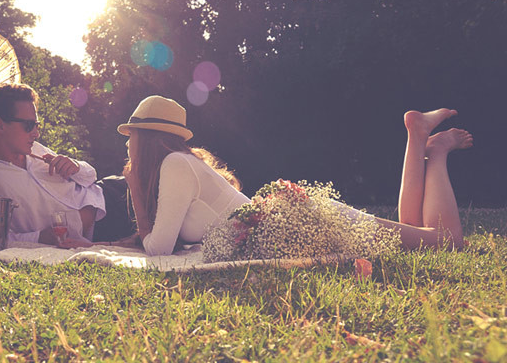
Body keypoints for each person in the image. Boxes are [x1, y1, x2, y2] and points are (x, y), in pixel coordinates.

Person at [117, 95, 472, 256]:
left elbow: (159, 247)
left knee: (446, 241)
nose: (129, 144)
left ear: (146, 138)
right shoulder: (182, 163)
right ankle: (417, 134)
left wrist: (134, 189)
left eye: (131, 135)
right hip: (294, 224)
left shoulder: (175, 166)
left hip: (296, 225)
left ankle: (435, 153)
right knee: (415, 232)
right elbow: (167, 238)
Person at [0, 83, 133, 246]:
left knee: (151, 176)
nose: (36, 133)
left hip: (110, 194)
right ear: (0, 126)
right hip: (99, 231)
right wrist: (38, 237)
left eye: (37, 125)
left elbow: (91, 177)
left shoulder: (35, 151)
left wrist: (76, 167)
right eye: (29, 125)